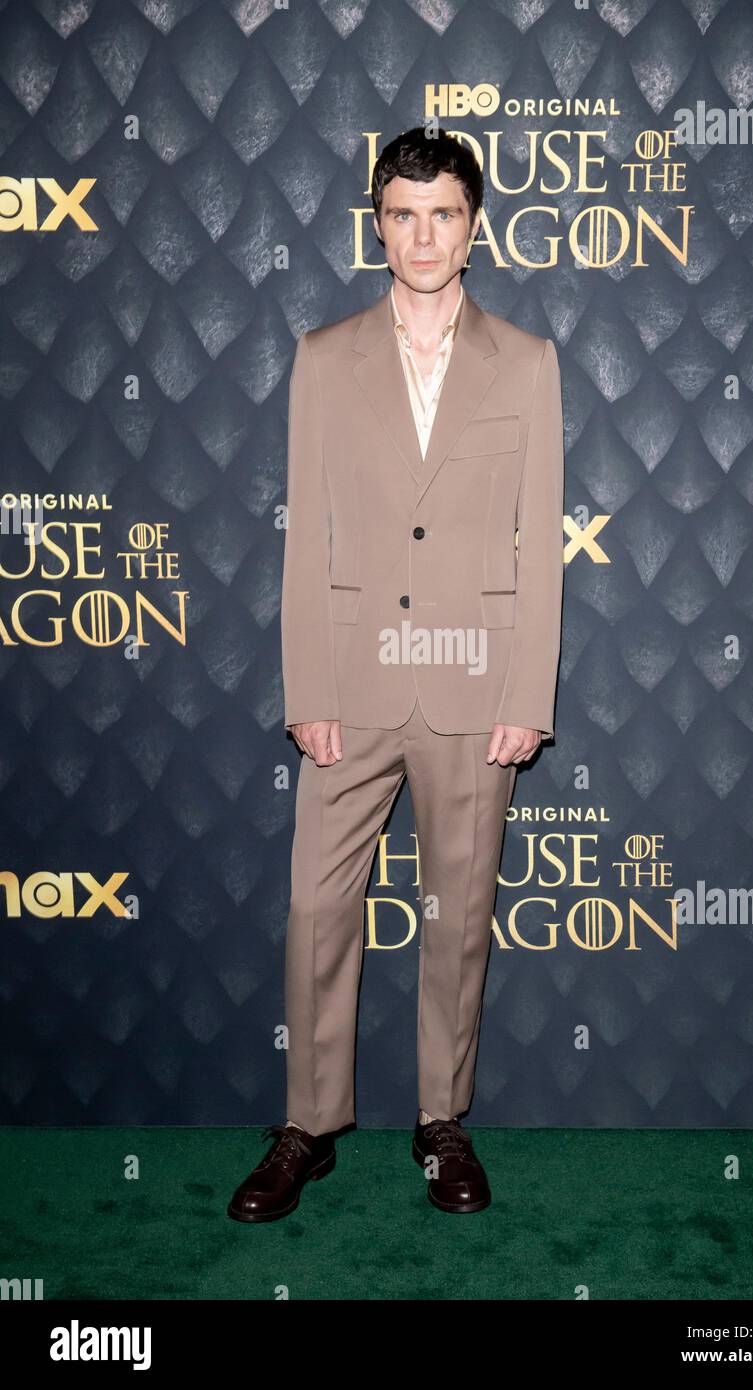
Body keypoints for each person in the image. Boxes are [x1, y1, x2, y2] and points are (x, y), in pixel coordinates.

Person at [228, 126, 564, 1221]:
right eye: (401, 214)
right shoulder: (323, 357)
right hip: (354, 683)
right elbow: (306, 536)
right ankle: (308, 1124)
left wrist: (526, 696)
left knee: (456, 912)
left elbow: (537, 536)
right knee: (316, 908)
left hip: (474, 689)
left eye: (444, 213)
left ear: (473, 226)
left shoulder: (527, 362)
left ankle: (440, 1124)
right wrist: (308, 689)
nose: (423, 235)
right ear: (377, 226)